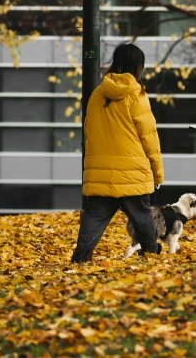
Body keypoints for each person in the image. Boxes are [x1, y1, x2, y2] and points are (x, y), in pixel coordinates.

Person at [70, 43, 164, 263]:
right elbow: (149, 137)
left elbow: (89, 133)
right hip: (132, 171)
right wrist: (157, 174)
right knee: (142, 216)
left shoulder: (96, 95)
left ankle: (81, 256)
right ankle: (150, 252)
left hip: (101, 172)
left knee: (94, 216)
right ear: (138, 67)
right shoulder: (137, 95)